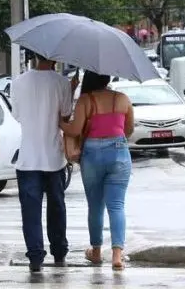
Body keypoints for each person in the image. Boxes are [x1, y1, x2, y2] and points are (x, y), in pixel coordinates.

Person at [63, 70, 134, 270]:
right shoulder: (123, 99)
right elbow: (129, 130)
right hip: (119, 152)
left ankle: (95, 252)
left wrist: (60, 123)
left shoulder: (86, 100)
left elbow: (75, 130)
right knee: (117, 205)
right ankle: (117, 256)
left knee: (95, 206)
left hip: (92, 154)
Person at [11, 54, 73, 272]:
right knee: (57, 207)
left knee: (30, 210)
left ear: (35, 56)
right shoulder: (62, 83)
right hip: (54, 158)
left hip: (28, 158)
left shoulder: (18, 83)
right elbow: (65, 116)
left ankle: (35, 258)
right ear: (55, 58)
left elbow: (17, 115)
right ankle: (59, 252)